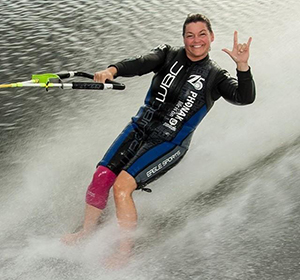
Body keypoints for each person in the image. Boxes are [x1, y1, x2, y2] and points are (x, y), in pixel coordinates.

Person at [61, 13, 255, 257]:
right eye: (190, 35)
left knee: (121, 187)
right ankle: (86, 232)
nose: (196, 40)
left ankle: (123, 253)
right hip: (139, 128)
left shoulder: (216, 77)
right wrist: (113, 70)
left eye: (202, 34)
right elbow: (141, 62)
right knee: (101, 176)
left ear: (212, 37)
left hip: (169, 141)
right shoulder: (167, 55)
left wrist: (242, 67)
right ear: (183, 38)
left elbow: (244, 98)